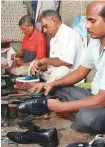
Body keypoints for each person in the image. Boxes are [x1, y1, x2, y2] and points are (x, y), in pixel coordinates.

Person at [29, 1, 105, 133]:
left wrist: (63, 107)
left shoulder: (69, 34)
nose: (87, 26)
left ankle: (73, 116)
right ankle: (75, 113)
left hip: (101, 101)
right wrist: (52, 84)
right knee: (56, 87)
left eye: (92, 21)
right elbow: (81, 72)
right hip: (95, 96)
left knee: (87, 118)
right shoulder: (96, 41)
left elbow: (101, 100)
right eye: (87, 21)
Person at [29, 10, 84, 83]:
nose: (44, 30)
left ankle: (45, 87)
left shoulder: (69, 34)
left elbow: (67, 62)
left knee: (62, 70)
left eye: (46, 26)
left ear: (55, 21)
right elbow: (53, 64)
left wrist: (44, 60)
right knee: (34, 65)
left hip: (71, 75)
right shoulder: (54, 37)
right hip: (55, 74)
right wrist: (39, 67)